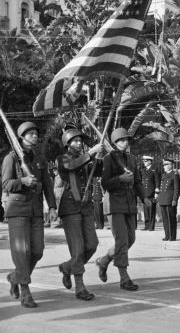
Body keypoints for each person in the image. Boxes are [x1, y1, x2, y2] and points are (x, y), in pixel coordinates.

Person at [2, 121, 57, 308]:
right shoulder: (11, 158)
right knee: (22, 251)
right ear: (22, 137)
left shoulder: (39, 158)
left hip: (35, 210)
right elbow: (6, 184)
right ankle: (25, 292)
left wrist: (52, 207)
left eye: (36, 133)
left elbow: (48, 185)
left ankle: (15, 277)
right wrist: (23, 181)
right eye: (30, 133)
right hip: (17, 210)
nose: (35, 136)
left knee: (37, 251)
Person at [56, 128, 104, 301]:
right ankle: (80, 286)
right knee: (77, 249)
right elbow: (71, 166)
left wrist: (100, 158)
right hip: (70, 207)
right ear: (67, 144)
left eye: (80, 141)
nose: (79, 143)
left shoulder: (86, 159)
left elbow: (98, 171)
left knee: (91, 244)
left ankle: (67, 267)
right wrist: (91, 153)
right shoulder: (63, 158)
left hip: (86, 207)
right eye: (75, 141)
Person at [95, 128, 144, 291]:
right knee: (122, 240)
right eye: (121, 140)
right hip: (115, 203)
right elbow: (105, 183)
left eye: (126, 140)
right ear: (115, 143)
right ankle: (124, 277)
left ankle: (104, 260)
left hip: (129, 203)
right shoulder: (109, 159)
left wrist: (145, 198)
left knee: (130, 239)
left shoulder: (132, 159)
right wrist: (120, 178)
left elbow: (137, 181)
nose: (125, 142)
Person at [157, 158, 180, 241]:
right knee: (165, 219)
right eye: (164, 165)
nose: (164, 166)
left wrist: (175, 199)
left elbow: (177, 189)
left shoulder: (174, 175)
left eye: (166, 165)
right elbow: (161, 187)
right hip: (163, 199)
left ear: (171, 165)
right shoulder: (164, 175)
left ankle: (172, 236)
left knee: (171, 219)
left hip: (170, 199)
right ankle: (167, 235)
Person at [140, 155, 160, 231]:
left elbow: (157, 181)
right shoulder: (143, 170)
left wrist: (156, 192)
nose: (144, 163)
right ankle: (147, 225)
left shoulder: (154, 170)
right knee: (146, 210)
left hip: (151, 192)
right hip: (145, 192)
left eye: (145, 161)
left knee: (151, 210)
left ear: (149, 161)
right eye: (143, 161)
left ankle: (151, 226)